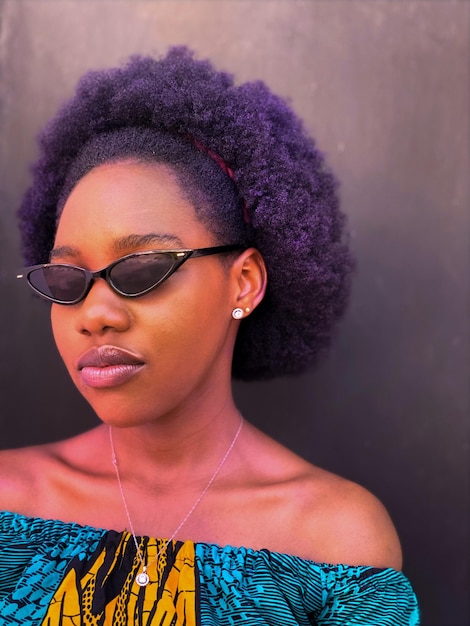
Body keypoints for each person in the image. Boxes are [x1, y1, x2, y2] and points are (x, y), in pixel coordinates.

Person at [0, 47, 419, 625]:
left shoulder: (337, 545)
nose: (95, 314)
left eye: (142, 269)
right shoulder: (7, 500)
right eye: (70, 277)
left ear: (243, 282)